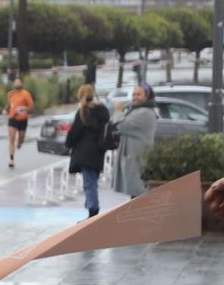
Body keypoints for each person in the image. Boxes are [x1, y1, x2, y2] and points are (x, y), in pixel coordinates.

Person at [64, 83, 111, 218]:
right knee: (92, 180)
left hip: (85, 153)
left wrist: (68, 144)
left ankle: (92, 209)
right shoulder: (102, 111)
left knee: (89, 183)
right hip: (99, 151)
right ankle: (91, 207)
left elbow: (74, 133)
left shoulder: (83, 112)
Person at [111, 83, 158, 199]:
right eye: (133, 94)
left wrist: (118, 111)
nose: (135, 97)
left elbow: (121, 125)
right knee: (135, 195)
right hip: (134, 158)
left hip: (138, 159)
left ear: (147, 96)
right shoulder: (136, 110)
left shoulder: (145, 112)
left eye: (138, 94)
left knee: (138, 193)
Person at [5, 76, 34, 167]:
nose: (17, 83)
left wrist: (23, 108)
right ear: (13, 84)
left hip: (23, 120)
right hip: (12, 119)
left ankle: (20, 143)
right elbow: (9, 105)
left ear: (21, 84)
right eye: (16, 82)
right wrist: (5, 110)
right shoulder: (10, 94)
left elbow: (31, 107)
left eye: (19, 82)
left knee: (21, 138)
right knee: (11, 139)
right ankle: (11, 160)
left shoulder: (26, 94)